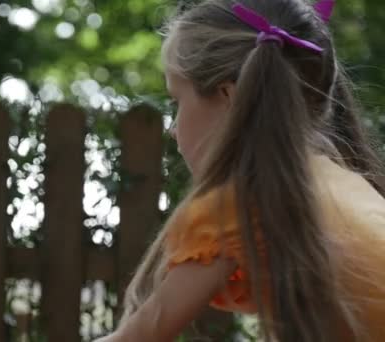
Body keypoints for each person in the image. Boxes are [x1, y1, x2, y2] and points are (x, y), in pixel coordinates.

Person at [95, 0, 385, 341]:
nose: (173, 128)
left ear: (228, 97)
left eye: (177, 102)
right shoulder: (352, 186)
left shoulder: (242, 201)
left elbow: (138, 336)